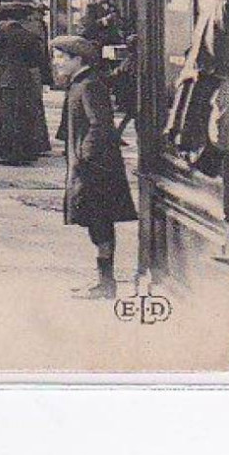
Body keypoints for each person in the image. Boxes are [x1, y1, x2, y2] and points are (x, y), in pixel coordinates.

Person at [52, 34, 137, 299]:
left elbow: (99, 124)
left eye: (62, 58)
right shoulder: (80, 83)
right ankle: (103, 280)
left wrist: (84, 155)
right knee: (95, 222)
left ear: (78, 59)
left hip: (96, 169)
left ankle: (106, 283)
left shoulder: (89, 85)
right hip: (88, 166)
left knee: (100, 222)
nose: (57, 63)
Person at [0, 0, 53, 165]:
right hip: (23, 77)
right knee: (20, 115)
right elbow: (36, 59)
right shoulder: (30, 34)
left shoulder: (0, 31)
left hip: (0, 75)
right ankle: (18, 152)